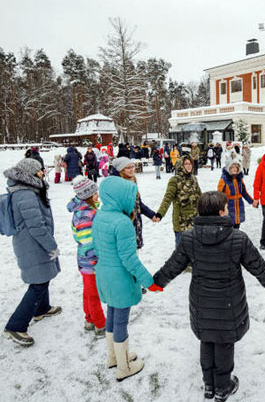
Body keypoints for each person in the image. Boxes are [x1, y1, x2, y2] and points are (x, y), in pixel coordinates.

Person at [152, 191, 265, 402]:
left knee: (207, 339)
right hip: (229, 303)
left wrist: (156, 282)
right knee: (224, 342)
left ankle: (209, 384)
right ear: (220, 212)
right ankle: (222, 386)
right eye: (226, 208)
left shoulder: (190, 237)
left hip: (201, 301)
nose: (228, 211)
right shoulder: (237, 238)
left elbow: (173, 265)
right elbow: (256, 264)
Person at [91, 176, 162, 381]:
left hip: (104, 274)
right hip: (120, 278)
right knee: (121, 320)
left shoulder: (100, 216)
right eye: (131, 197)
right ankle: (124, 367)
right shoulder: (122, 223)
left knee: (112, 314)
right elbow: (130, 260)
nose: (133, 202)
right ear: (120, 197)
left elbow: (96, 247)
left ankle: (114, 356)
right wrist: (150, 282)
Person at [2, 158, 61, 347]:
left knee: (42, 277)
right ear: (31, 173)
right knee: (38, 283)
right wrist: (51, 245)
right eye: (40, 170)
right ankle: (16, 325)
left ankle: (41, 309)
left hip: (33, 242)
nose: (43, 173)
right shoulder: (25, 194)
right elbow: (36, 226)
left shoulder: (29, 189)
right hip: (32, 244)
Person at [67, 176, 106, 336]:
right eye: (95, 192)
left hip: (86, 261)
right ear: (87, 195)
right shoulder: (85, 215)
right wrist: (95, 260)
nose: (98, 194)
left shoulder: (89, 211)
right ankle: (100, 324)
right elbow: (86, 240)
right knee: (93, 294)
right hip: (91, 262)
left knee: (88, 292)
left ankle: (89, 319)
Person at [110, 157, 159, 249]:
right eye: (128, 167)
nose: (132, 169)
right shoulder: (116, 186)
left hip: (135, 226)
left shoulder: (132, 182)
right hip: (124, 229)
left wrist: (151, 215)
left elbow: (138, 204)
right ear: (121, 170)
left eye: (132, 166)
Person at [156, 156, 201, 247]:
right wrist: (160, 213)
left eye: (190, 164)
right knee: (182, 251)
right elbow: (167, 198)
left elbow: (200, 196)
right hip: (181, 223)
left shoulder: (194, 179)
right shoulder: (174, 180)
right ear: (181, 165)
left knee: (194, 249)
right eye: (186, 164)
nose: (189, 166)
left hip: (194, 220)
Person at [217, 160, 253, 229]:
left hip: (239, 206)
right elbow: (220, 195)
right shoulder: (224, 180)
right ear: (228, 168)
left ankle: (236, 238)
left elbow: (244, 192)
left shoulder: (239, 179)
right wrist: (222, 206)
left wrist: (252, 201)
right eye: (232, 167)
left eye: (236, 167)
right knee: (229, 225)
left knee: (237, 225)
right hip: (228, 206)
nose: (234, 169)